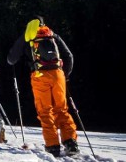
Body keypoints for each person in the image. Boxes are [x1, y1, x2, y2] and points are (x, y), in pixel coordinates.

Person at [7, 17, 78, 157]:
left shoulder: (27, 36)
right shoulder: (51, 34)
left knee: (45, 111)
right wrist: (65, 75)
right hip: (58, 75)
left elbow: (11, 59)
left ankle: (53, 146)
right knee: (62, 109)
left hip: (39, 76)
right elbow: (69, 56)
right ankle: (70, 142)